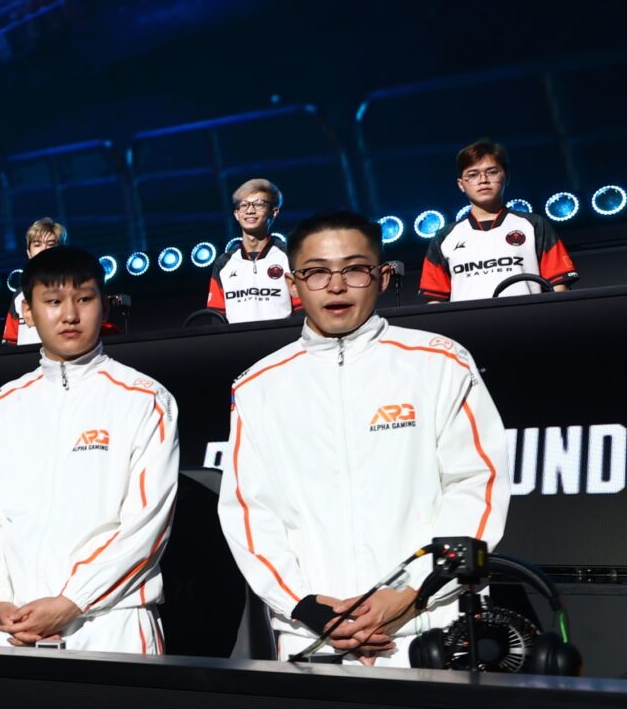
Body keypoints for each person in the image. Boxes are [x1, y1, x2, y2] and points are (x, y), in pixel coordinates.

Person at [217, 211, 509, 667]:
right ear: (293, 285)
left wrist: (414, 594)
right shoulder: (258, 386)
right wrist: (305, 605)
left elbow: (477, 486)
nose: (336, 286)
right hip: (312, 636)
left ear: (382, 277)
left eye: (354, 269)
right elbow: (250, 511)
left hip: (430, 627)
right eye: (316, 272)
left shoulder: (440, 362)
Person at [0, 245, 179, 653]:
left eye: (84, 299)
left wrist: (72, 602)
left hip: (113, 626)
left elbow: (146, 524)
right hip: (16, 628)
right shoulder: (3, 405)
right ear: (26, 312)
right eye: (53, 301)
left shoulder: (145, 398)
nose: (70, 315)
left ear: (105, 306)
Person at [420, 142, 577, 301]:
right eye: (473, 174)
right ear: (461, 184)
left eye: (492, 172)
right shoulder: (444, 238)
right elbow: (435, 301)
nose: (483, 180)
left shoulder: (534, 225)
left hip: (527, 317)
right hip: (468, 318)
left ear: (506, 177)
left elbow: (560, 287)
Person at [206, 179, 299, 324]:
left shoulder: (289, 256)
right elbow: (217, 317)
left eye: (259, 204)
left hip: (283, 337)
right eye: (244, 205)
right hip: (237, 339)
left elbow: (302, 310)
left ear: (274, 212)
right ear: (236, 214)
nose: (250, 211)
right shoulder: (223, 263)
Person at [0, 218, 65, 344]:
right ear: (29, 253)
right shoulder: (20, 295)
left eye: (50, 244)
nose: (44, 250)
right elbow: (10, 343)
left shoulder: (75, 290)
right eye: (37, 244)